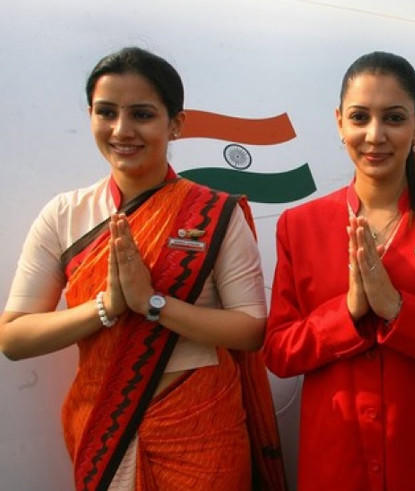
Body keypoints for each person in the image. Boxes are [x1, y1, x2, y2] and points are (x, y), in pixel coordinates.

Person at [0, 47, 284, 490]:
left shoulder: (213, 212)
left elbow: (250, 329)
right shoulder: (64, 215)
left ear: (176, 124)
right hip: (104, 427)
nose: (121, 130)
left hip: (201, 427)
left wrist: (153, 304)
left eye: (142, 114)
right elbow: (13, 338)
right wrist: (106, 306)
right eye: (106, 112)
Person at [263, 51, 415, 491]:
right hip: (336, 466)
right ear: (340, 123)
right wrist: (348, 311)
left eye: (393, 118)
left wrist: (399, 310)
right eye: (360, 118)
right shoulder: (300, 227)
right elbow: (279, 353)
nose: (375, 135)